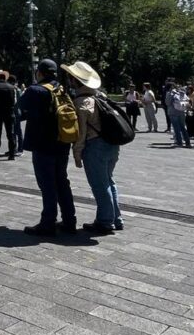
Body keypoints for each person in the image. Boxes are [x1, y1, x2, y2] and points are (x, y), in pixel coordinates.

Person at [64, 61, 123, 235]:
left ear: (76, 81)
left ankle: (105, 221)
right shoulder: (101, 97)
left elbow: (81, 133)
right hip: (112, 144)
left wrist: (77, 154)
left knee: (99, 185)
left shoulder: (82, 102)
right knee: (109, 181)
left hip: (95, 146)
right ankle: (116, 218)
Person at [21, 59, 76, 236]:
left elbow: (18, 110)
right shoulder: (63, 89)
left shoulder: (35, 90)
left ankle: (48, 223)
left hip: (42, 144)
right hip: (63, 142)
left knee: (47, 184)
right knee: (62, 181)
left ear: (40, 72)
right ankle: (69, 220)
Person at [0, 71, 17, 160]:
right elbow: (15, 101)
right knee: (10, 134)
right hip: (10, 112)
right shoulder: (12, 88)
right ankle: (12, 154)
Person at [166, 82, 191, 148]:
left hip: (173, 112)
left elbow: (168, 103)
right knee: (183, 128)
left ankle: (179, 143)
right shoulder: (181, 92)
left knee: (176, 128)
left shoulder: (170, 93)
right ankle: (187, 142)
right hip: (182, 111)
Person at [9, 75, 25, 156]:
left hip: (16, 112)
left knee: (17, 131)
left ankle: (20, 149)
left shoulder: (17, 90)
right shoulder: (17, 89)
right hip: (16, 112)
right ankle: (14, 148)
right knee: (14, 132)